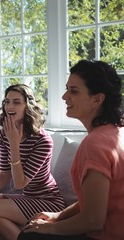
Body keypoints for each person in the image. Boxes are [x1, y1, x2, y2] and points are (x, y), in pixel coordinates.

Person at [18, 60, 124, 240]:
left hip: (107, 235)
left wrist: (47, 229)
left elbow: (93, 220)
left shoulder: (95, 144)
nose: (64, 96)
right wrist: (58, 216)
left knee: (28, 235)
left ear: (97, 99)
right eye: (67, 89)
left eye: (73, 91)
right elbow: (94, 201)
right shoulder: (117, 130)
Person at [0, 84, 65, 240]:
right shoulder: (4, 134)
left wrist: (14, 144)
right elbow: (4, 175)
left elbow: (19, 184)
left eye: (16, 102)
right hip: (28, 197)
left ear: (27, 106)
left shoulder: (43, 140)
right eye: (7, 101)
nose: (9, 106)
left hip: (47, 201)